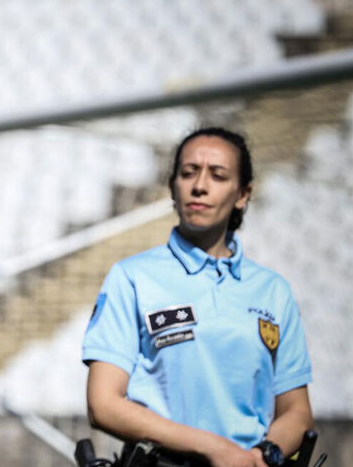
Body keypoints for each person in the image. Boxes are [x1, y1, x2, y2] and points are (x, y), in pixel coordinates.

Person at [81, 127, 314, 467]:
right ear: (173, 187)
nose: (200, 185)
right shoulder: (131, 277)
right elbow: (103, 405)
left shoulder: (273, 290)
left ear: (243, 194)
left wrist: (260, 456)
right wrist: (212, 448)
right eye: (188, 172)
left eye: (218, 175)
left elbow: (297, 410)